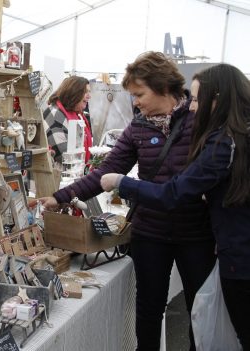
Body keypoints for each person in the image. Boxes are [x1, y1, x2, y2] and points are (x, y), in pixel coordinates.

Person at [39, 51, 215, 351]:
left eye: (139, 94)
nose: (135, 102)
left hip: (195, 232)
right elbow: (106, 171)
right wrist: (60, 197)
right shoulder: (138, 128)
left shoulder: (200, 121)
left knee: (200, 310)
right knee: (148, 309)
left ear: (162, 87)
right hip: (150, 233)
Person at [101, 63, 250, 349]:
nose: (193, 107)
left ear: (217, 99)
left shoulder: (223, 143)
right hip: (213, 245)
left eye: (196, 98)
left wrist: (123, 182)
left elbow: (173, 192)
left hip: (236, 257)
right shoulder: (238, 136)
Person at [43, 75, 92, 164]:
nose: (89, 96)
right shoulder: (55, 115)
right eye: (86, 92)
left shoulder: (77, 114)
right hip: (61, 175)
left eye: (89, 92)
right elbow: (63, 157)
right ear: (74, 92)